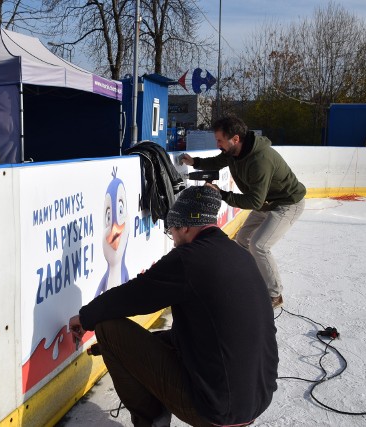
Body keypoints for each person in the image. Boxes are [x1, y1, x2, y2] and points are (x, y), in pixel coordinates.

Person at [69, 186, 278, 427]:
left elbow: (134, 295)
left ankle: (152, 422)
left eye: (172, 232)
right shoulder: (238, 254)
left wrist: (85, 318)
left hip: (216, 409)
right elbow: (212, 332)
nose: (174, 240)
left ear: (186, 227)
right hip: (255, 399)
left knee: (108, 328)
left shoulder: (188, 258)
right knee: (154, 340)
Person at [179, 115, 305, 309]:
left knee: (259, 245)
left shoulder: (260, 160)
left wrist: (222, 194)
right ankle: (252, 278)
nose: (218, 144)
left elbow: (254, 200)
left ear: (235, 139)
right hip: (266, 202)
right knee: (243, 238)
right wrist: (194, 162)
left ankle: (275, 294)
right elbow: (217, 161)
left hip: (287, 203)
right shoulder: (233, 152)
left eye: (220, 140)